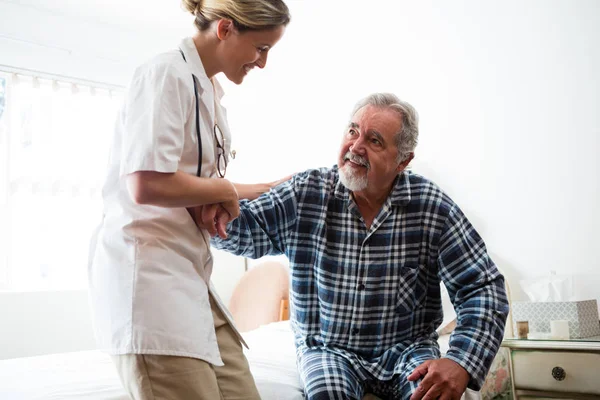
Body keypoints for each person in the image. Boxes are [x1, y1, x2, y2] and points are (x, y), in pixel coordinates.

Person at [197, 93, 509, 400]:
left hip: (407, 350)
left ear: (403, 161)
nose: (356, 147)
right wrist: (203, 200)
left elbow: (482, 287)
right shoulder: (308, 192)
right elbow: (245, 226)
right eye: (352, 131)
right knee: (327, 394)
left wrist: (459, 361)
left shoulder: (432, 207)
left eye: (374, 141)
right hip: (328, 349)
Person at [88, 1, 291, 399]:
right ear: (226, 29)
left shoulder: (209, 91)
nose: (262, 63)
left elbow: (197, 184)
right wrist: (224, 191)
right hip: (149, 282)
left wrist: (276, 187)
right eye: (261, 48)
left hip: (189, 279)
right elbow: (146, 184)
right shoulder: (166, 74)